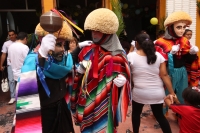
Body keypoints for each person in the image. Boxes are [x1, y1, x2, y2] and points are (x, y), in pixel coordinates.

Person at [71, 8, 131, 133]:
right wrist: (79, 72)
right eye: (93, 30)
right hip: (87, 99)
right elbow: (76, 75)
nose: (94, 34)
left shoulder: (119, 56)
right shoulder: (87, 50)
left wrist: (123, 83)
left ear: (108, 33)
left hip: (106, 103)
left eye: (98, 31)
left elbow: (128, 81)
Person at [127, 33, 175, 133]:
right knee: (159, 116)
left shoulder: (131, 56)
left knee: (136, 114)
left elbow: (127, 73)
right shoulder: (158, 56)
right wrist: (172, 93)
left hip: (140, 92)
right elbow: (164, 75)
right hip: (157, 92)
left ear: (137, 43)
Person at [154, 11, 199, 104]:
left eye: (184, 27)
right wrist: (170, 54)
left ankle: (181, 115)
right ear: (170, 28)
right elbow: (155, 62)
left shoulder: (185, 40)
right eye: (178, 27)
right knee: (166, 95)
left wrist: (192, 53)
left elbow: (189, 61)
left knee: (183, 94)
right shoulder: (160, 42)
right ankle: (162, 114)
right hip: (167, 73)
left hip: (182, 71)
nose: (182, 30)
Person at [7, 32, 29, 103]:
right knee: (25, 96)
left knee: (19, 94)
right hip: (24, 73)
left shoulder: (10, 47)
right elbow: (27, 61)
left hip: (15, 74)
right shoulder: (24, 47)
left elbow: (10, 60)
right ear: (25, 38)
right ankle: (22, 112)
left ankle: (18, 111)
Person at [0, 30, 17, 104]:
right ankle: (12, 97)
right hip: (10, 64)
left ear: (16, 35)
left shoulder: (19, 42)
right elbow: (3, 54)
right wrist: (1, 64)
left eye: (12, 35)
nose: (11, 36)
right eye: (9, 35)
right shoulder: (6, 44)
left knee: (19, 80)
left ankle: (19, 95)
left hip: (19, 64)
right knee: (11, 80)